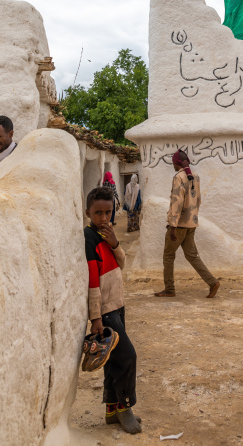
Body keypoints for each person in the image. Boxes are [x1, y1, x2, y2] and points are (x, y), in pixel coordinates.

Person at [84, 186, 142, 434]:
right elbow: (93, 281)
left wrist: (115, 242)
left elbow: (122, 262)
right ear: (88, 212)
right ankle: (124, 408)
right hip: (106, 311)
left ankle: (111, 411)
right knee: (127, 356)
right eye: (98, 213)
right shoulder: (89, 239)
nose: (104, 218)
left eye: (108, 213)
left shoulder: (107, 236)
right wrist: (96, 317)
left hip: (118, 305)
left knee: (113, 360)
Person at [154, 150, 220, 299]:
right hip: (191, 223)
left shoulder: (178, 177)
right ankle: (212, 282)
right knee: (192, 256)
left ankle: (169, 289)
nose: (173, 165)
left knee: (168, 255)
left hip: (179, 226)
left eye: (173, 162)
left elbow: (177, 202)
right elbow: (198, 200)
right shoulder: (195, 177)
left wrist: (173, 225)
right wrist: (193, 217)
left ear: (177, 162)